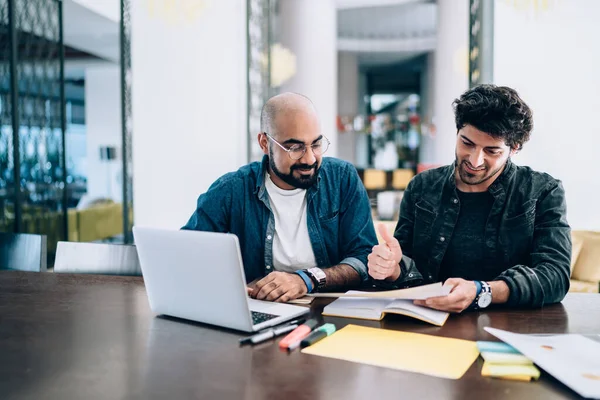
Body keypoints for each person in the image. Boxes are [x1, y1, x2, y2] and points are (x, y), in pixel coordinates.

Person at [368, 84, 571, 312]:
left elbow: (556, 276)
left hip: (508, 327)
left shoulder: (542, 191)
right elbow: (406, 266)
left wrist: (482, 291)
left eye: (492, 151)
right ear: (457, 132)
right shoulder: (422, 187)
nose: (475, 161)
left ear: (514, 149)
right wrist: (391, 267)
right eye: (467, 143)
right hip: (429, 322)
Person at [183, 92, 377, 302]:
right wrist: (230, 284)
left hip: (328, 312)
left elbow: (363, 259)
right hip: (259, 309)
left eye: (316, 144)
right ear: (265, 143)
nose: (310, 158)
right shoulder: (230, 190)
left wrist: (306, 279)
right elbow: (190, 255)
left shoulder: (342, 179)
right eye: (295, 147)